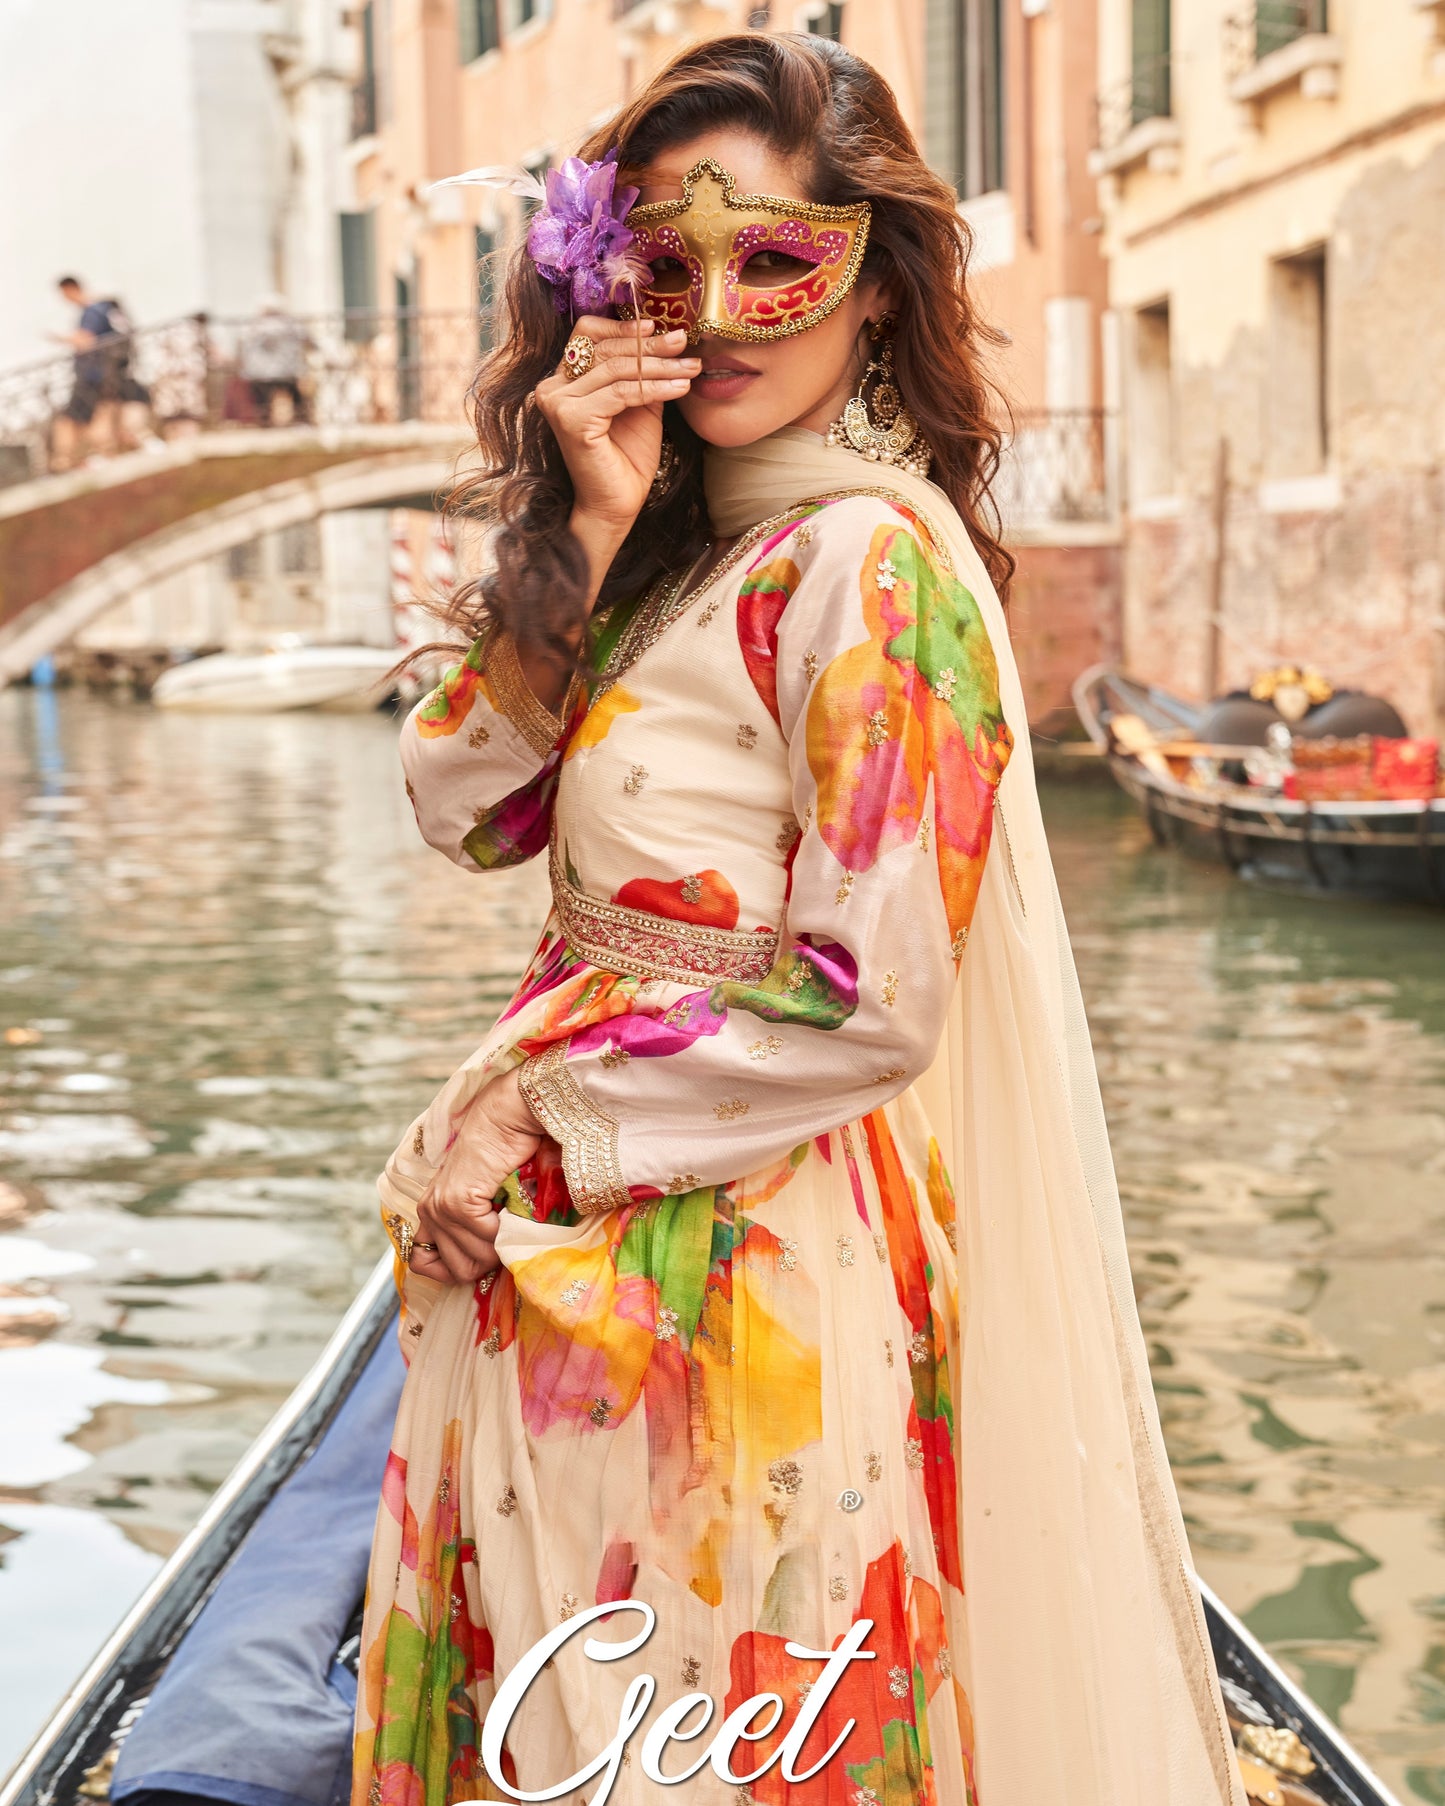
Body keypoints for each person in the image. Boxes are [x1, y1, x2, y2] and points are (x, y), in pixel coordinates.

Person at [352, 33, 1247, 1806]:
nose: (726, 313)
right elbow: (464, 810)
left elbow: (872, 996)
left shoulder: (868, 565)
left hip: (749, 1265)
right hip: (558, 1255)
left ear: (872, 279)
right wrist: (580, 537)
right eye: (670, 266)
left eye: (778, 262)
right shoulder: (667, 549)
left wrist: (540, 1106)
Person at [50, 276, 152, 469]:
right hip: (115, 371)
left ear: (70, 289)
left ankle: (67, 461)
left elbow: (85, 340)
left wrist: (58, 339)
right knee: (107, 411)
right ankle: (107, 453)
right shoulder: (108, 308)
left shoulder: (92, 311)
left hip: (96, 374)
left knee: (83, 417)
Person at [237, 294, 312, 425]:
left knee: (262, 403)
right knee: (296, 399)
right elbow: (309, 341)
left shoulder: (254, 326)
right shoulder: (292, 324)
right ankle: (301, 422)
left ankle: (265, 423)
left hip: (260, 373)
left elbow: (243, 345)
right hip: (288, 370)